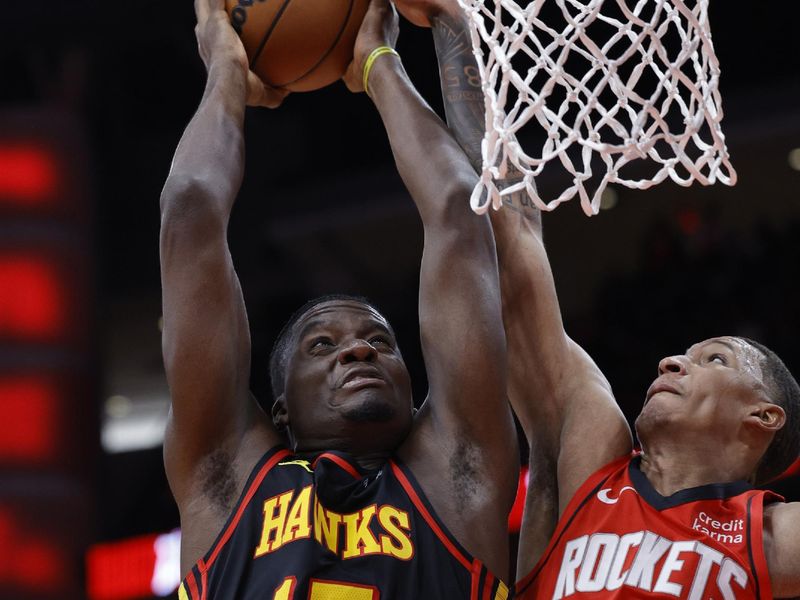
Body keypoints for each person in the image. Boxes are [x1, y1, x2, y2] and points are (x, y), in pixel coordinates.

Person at [394, 1, 800, 597]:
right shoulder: (590, 457)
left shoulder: (769, 536)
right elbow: (515, 246)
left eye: (715, 359)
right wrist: (454, 24)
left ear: (762, 417)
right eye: (687, 354)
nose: (672, 361)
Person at [159, 0, 519, 597]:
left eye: (380, 341)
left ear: (414, 383)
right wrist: (224, 67)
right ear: (280, 411)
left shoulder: (458, 474)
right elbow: (190, 207)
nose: (358, 352)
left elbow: (461, 210)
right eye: (323, 345)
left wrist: (379, 63)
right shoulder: (225, 481)